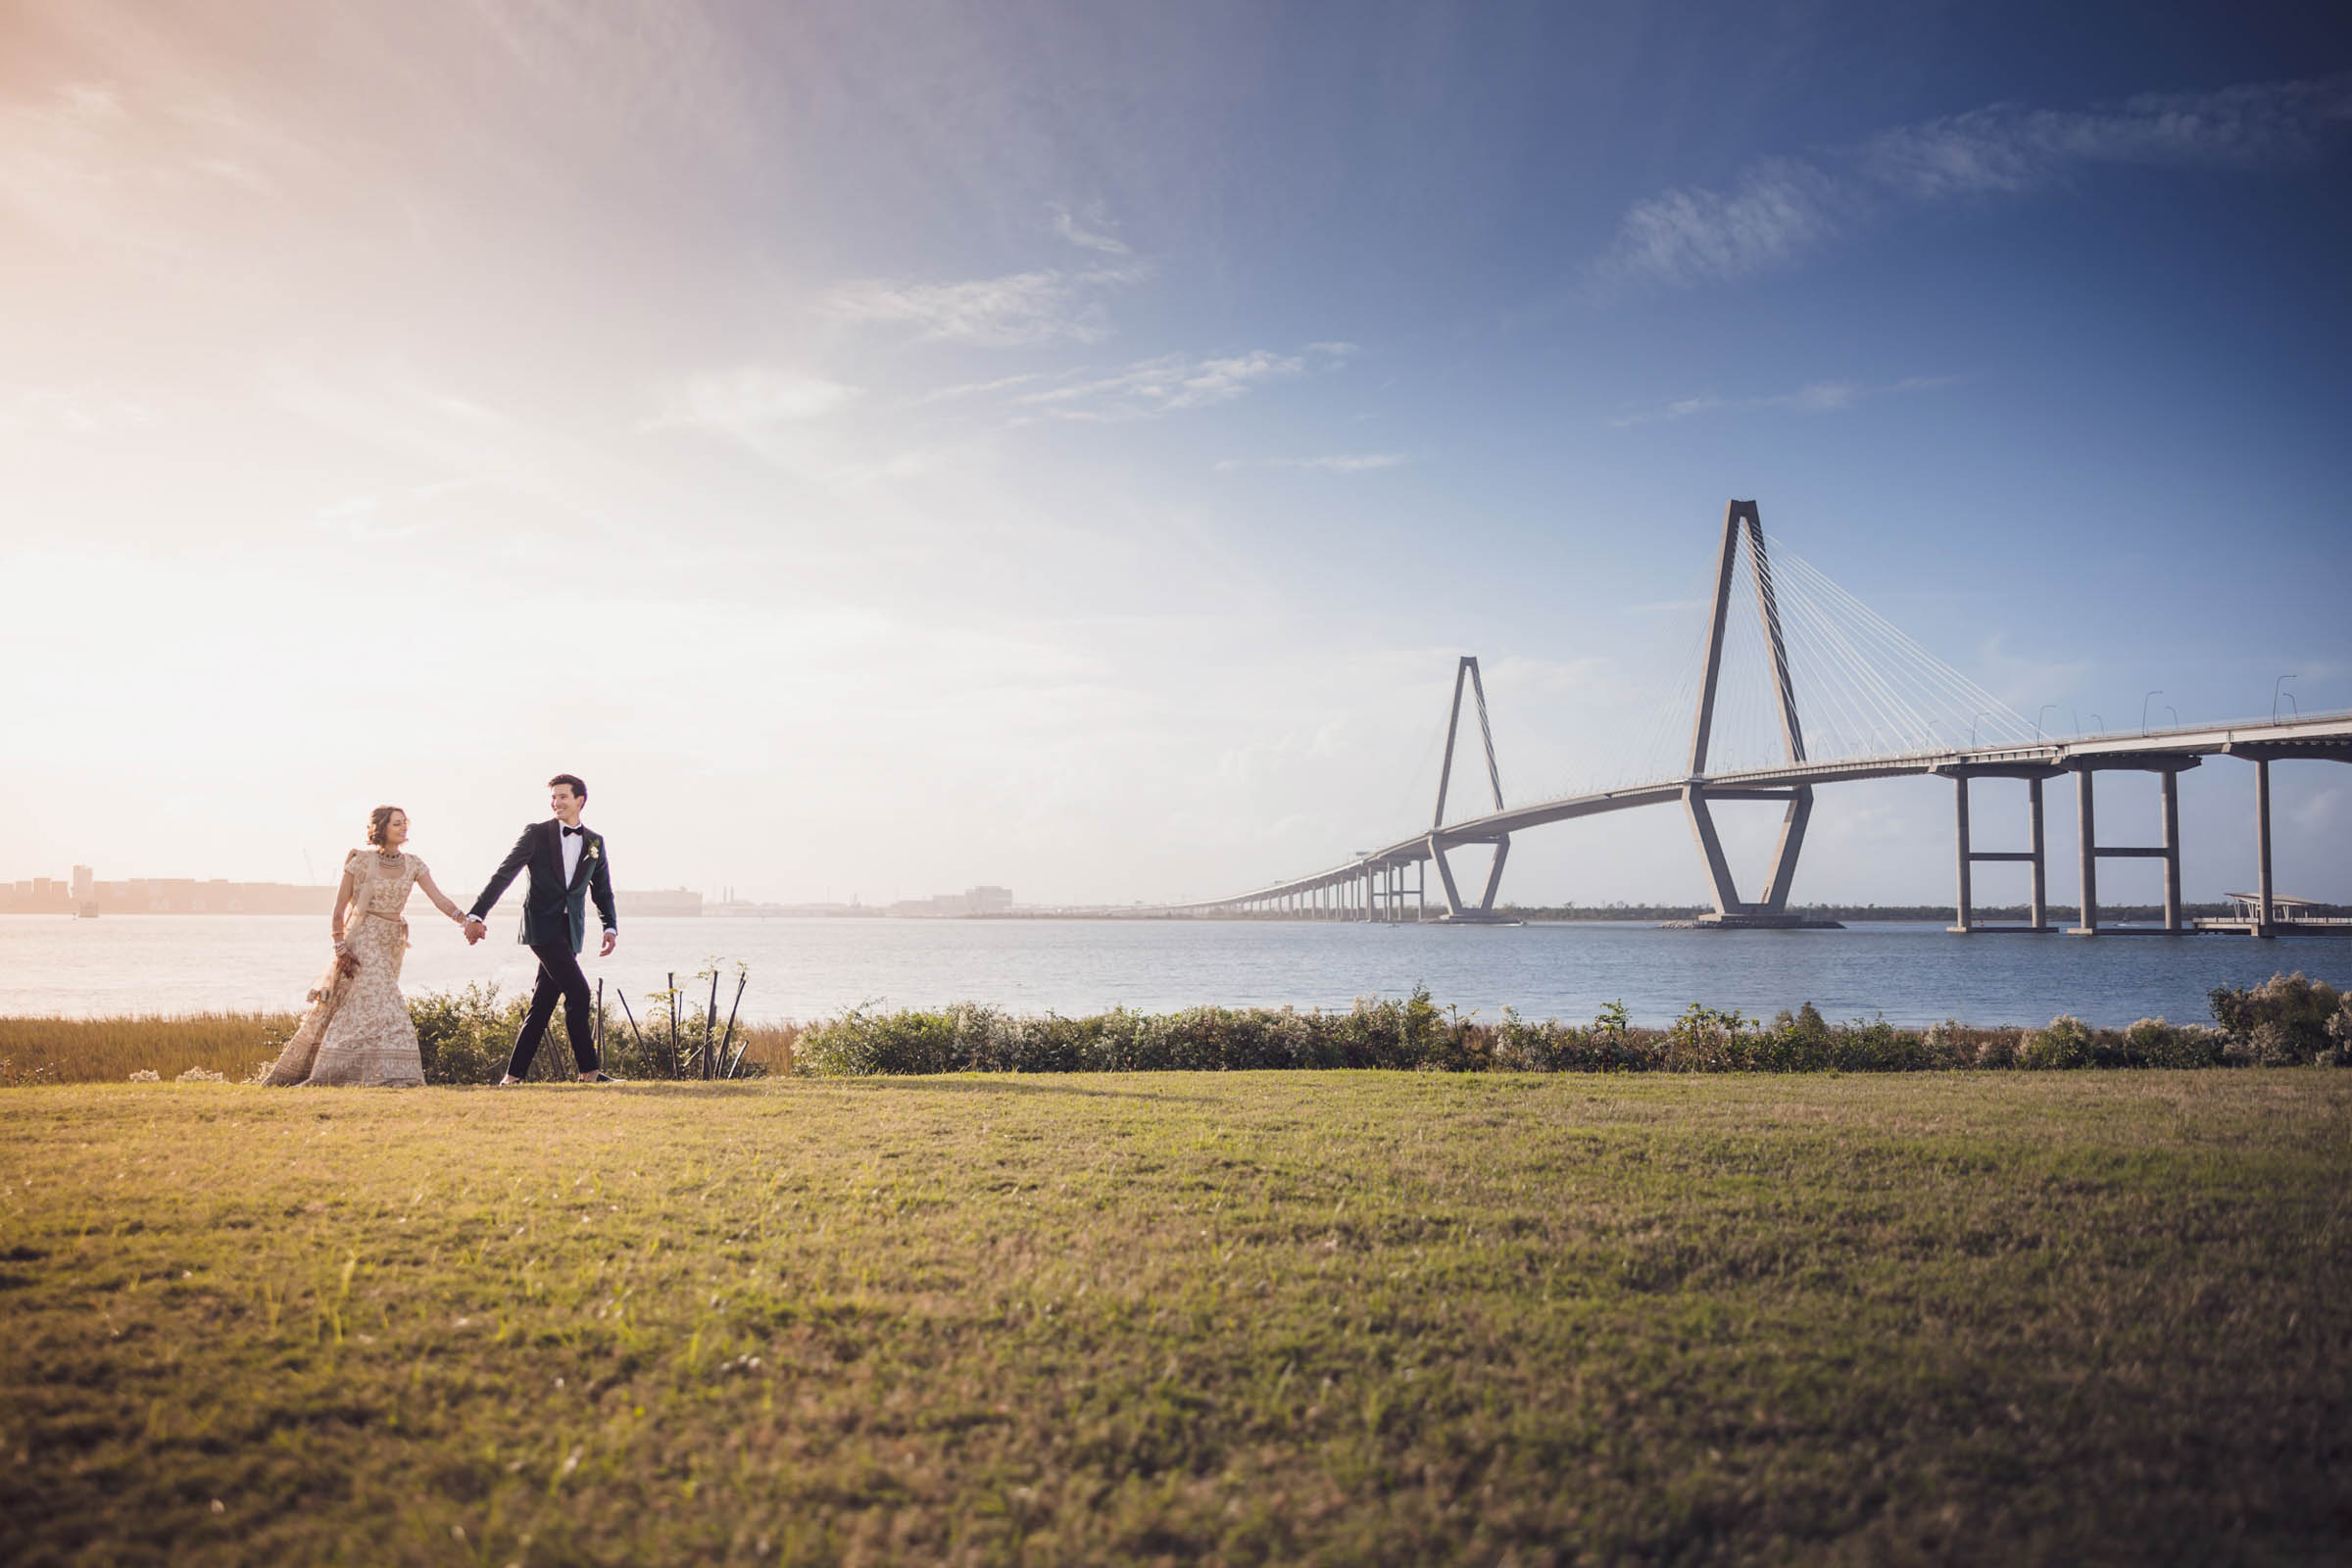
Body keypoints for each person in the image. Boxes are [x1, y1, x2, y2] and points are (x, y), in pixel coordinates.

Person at [263, 807, 471, 1087]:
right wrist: (340, 948)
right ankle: (394, 1076)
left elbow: (439, 899)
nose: (403, 828)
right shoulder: (360, 862)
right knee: (389, 1004)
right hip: (362, 941)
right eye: (396, 824)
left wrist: (464, 919)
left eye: (404, 823)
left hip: (390, 943)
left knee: (361, 1008)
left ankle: (361, 1075)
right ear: (381, 827)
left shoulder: (414, 864)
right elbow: (338, 910)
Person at [465, 773, 620, 1085]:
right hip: (542, 928)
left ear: (580, 800)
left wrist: (610, 926)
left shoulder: (594, 842)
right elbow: (504, 874)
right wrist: (478, 913)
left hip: (571, 931)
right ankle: (589, 1072)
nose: (556, 802)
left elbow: (601, 889)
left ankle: (512, 1078)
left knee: (542, 1004)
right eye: (553, 797)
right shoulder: (536, 834)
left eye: (563, 796)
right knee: (579, 992)